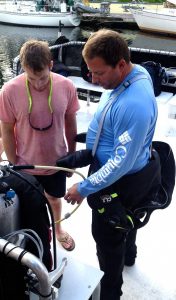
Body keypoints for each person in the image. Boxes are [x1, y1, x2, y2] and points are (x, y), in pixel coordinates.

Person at [62, 29, 161, 299]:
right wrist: (88, 148)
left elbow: (119, 163)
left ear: (121, 64)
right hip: (132, 171)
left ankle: (111, 293)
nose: (93, 80)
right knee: (128, 220)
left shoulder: (136, 104)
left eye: (99, 73)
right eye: (90, 72)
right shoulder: (129, 75)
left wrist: (84, 187)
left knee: (108, 237)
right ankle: (131, 254)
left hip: (120, 181)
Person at [0, 39, 80, 251]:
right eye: (31, 77)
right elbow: (6, 129)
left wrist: (72, 158)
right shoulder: (9, 90)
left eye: (43, 78)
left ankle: (58, 230)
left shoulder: (67, 86)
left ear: (51, 65)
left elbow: (71, 124)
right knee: (30, 205)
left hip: (57, 161)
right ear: (24, 69)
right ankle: (36, 234)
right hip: (25, 164)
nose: (37, 84)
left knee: (54, 199)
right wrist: (14, 161)